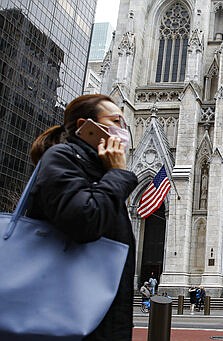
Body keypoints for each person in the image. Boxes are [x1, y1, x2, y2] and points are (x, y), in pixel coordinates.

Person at [27, 94, 138, 340]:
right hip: (65, 312)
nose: (123, 130)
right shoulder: (61, 158)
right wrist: (118, 173)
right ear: (84, 126)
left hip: (95, 314)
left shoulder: (99, 171)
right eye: (116, 121)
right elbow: (84, 220)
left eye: (124, 124)